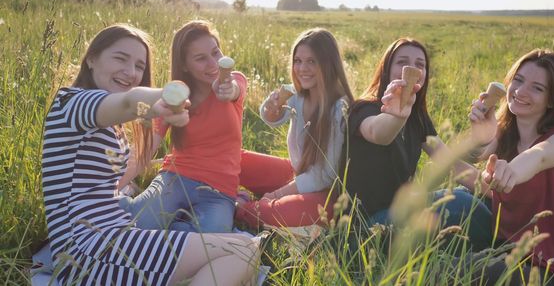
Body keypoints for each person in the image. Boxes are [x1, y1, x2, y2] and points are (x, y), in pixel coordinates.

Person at [42, 24, 258, 285]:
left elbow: (109, 174)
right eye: (120, 58)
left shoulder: (108, 126)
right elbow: (128, 102)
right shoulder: (71, 102)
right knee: (244, 250)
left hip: (111, 237)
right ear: (91, 58)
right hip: (90, 251)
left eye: (139, 66)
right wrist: (162, 100)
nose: (131, 72)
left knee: (242, 249)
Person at [439, 49, 554, 285]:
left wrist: (510, 172)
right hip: (505, 251)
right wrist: (480, 137)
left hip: (550, 272)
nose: (520, 91)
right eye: (518, 80)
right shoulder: (506, 132)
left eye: (537, 88)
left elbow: (539, 156)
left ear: (553, 99)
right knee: (433, 243)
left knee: (452, 273)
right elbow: (475, 160)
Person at [119, 20, 246, 233]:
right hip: (175, 179)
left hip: (219, 191)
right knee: (138, 224)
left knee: (209, 238)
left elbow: (233, 89)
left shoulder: (234, 82)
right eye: (200, 58)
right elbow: (147, 149)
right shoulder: (174, 97)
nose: (213, 64)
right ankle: (125, 200)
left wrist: (227, 88)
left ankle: (172, 229)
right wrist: (112, 186)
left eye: (216, 53)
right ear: (185, 65)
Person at [341, 38, 479, 226]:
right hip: (368, 225)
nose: (411, 69)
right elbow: (378, 133)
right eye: (402, 62)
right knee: (461, 202)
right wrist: (396, 117)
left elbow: (449, 163)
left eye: (419, 65)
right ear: (386, 69)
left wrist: (492, 189)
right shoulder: (363, 109)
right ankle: (506, 243)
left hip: (401, 211)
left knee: (469, 193)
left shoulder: (417, 118)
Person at [235, 28, 354, 228]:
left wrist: (277, 195)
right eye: (298, 61)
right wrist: (272, 110)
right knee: (236, 159)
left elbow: (325, 176)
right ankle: (242, 197)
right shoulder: (298, 95)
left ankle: (242, 207)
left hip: (326, 195)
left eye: (311, 61)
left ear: (328, 64)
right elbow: (269, 116)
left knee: (271, 211)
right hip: (296, 172)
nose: (302, 68)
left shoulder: (339, 109)